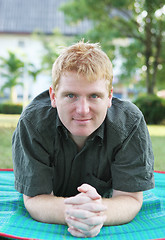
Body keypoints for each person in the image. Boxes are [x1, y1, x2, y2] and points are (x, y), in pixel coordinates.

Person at [12, 41, 154, 238]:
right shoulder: (32, 123)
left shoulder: (130, 124)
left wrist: (99, 214)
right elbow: (35, 199)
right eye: (71, 95)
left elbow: (130, 199)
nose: (82, 110)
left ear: (110, 96)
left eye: (94, 96)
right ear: (53, 96)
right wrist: (74, 213)